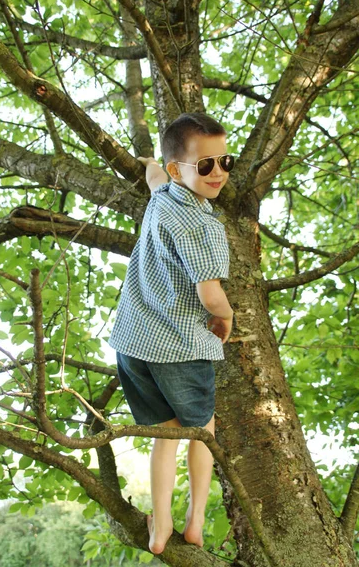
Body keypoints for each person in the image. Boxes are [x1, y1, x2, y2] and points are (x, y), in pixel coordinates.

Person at [109, 112, 234, 554]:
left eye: (225, 162)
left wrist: (148, 160)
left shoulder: (162, 197)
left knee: (164, 435)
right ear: (183, 170)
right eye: (206, 165)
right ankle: (194, 520)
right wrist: (227, 317)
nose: (218, 173)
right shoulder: (203, 226)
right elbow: (210, 294)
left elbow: (153, 175)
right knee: (202, 430)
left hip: (133, 343)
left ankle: (160, 527)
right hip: (178, 348)